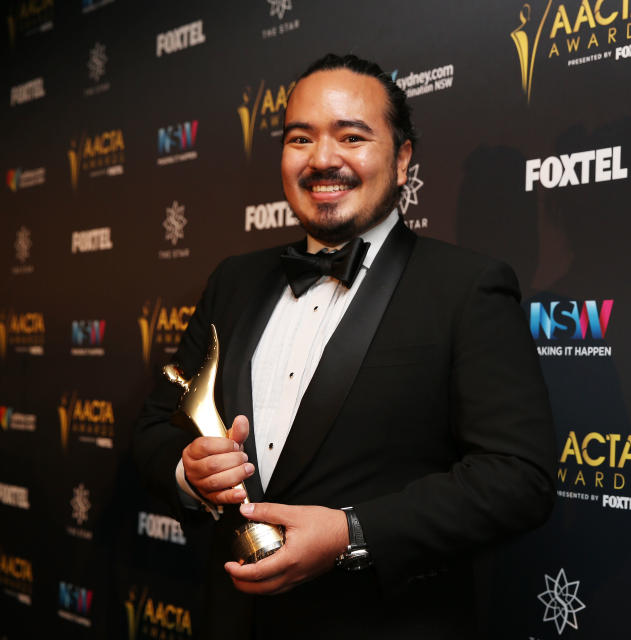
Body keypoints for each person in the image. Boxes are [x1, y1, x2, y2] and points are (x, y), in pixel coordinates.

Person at [135, 53, 555, 639]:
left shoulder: (467, 287)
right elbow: (156, 425)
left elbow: (519, 478)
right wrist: (188, 471)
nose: (323, 159)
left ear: (402, 158)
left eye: (351, 136)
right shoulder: (232, 280)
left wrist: (352, 534)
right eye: (300, 138)